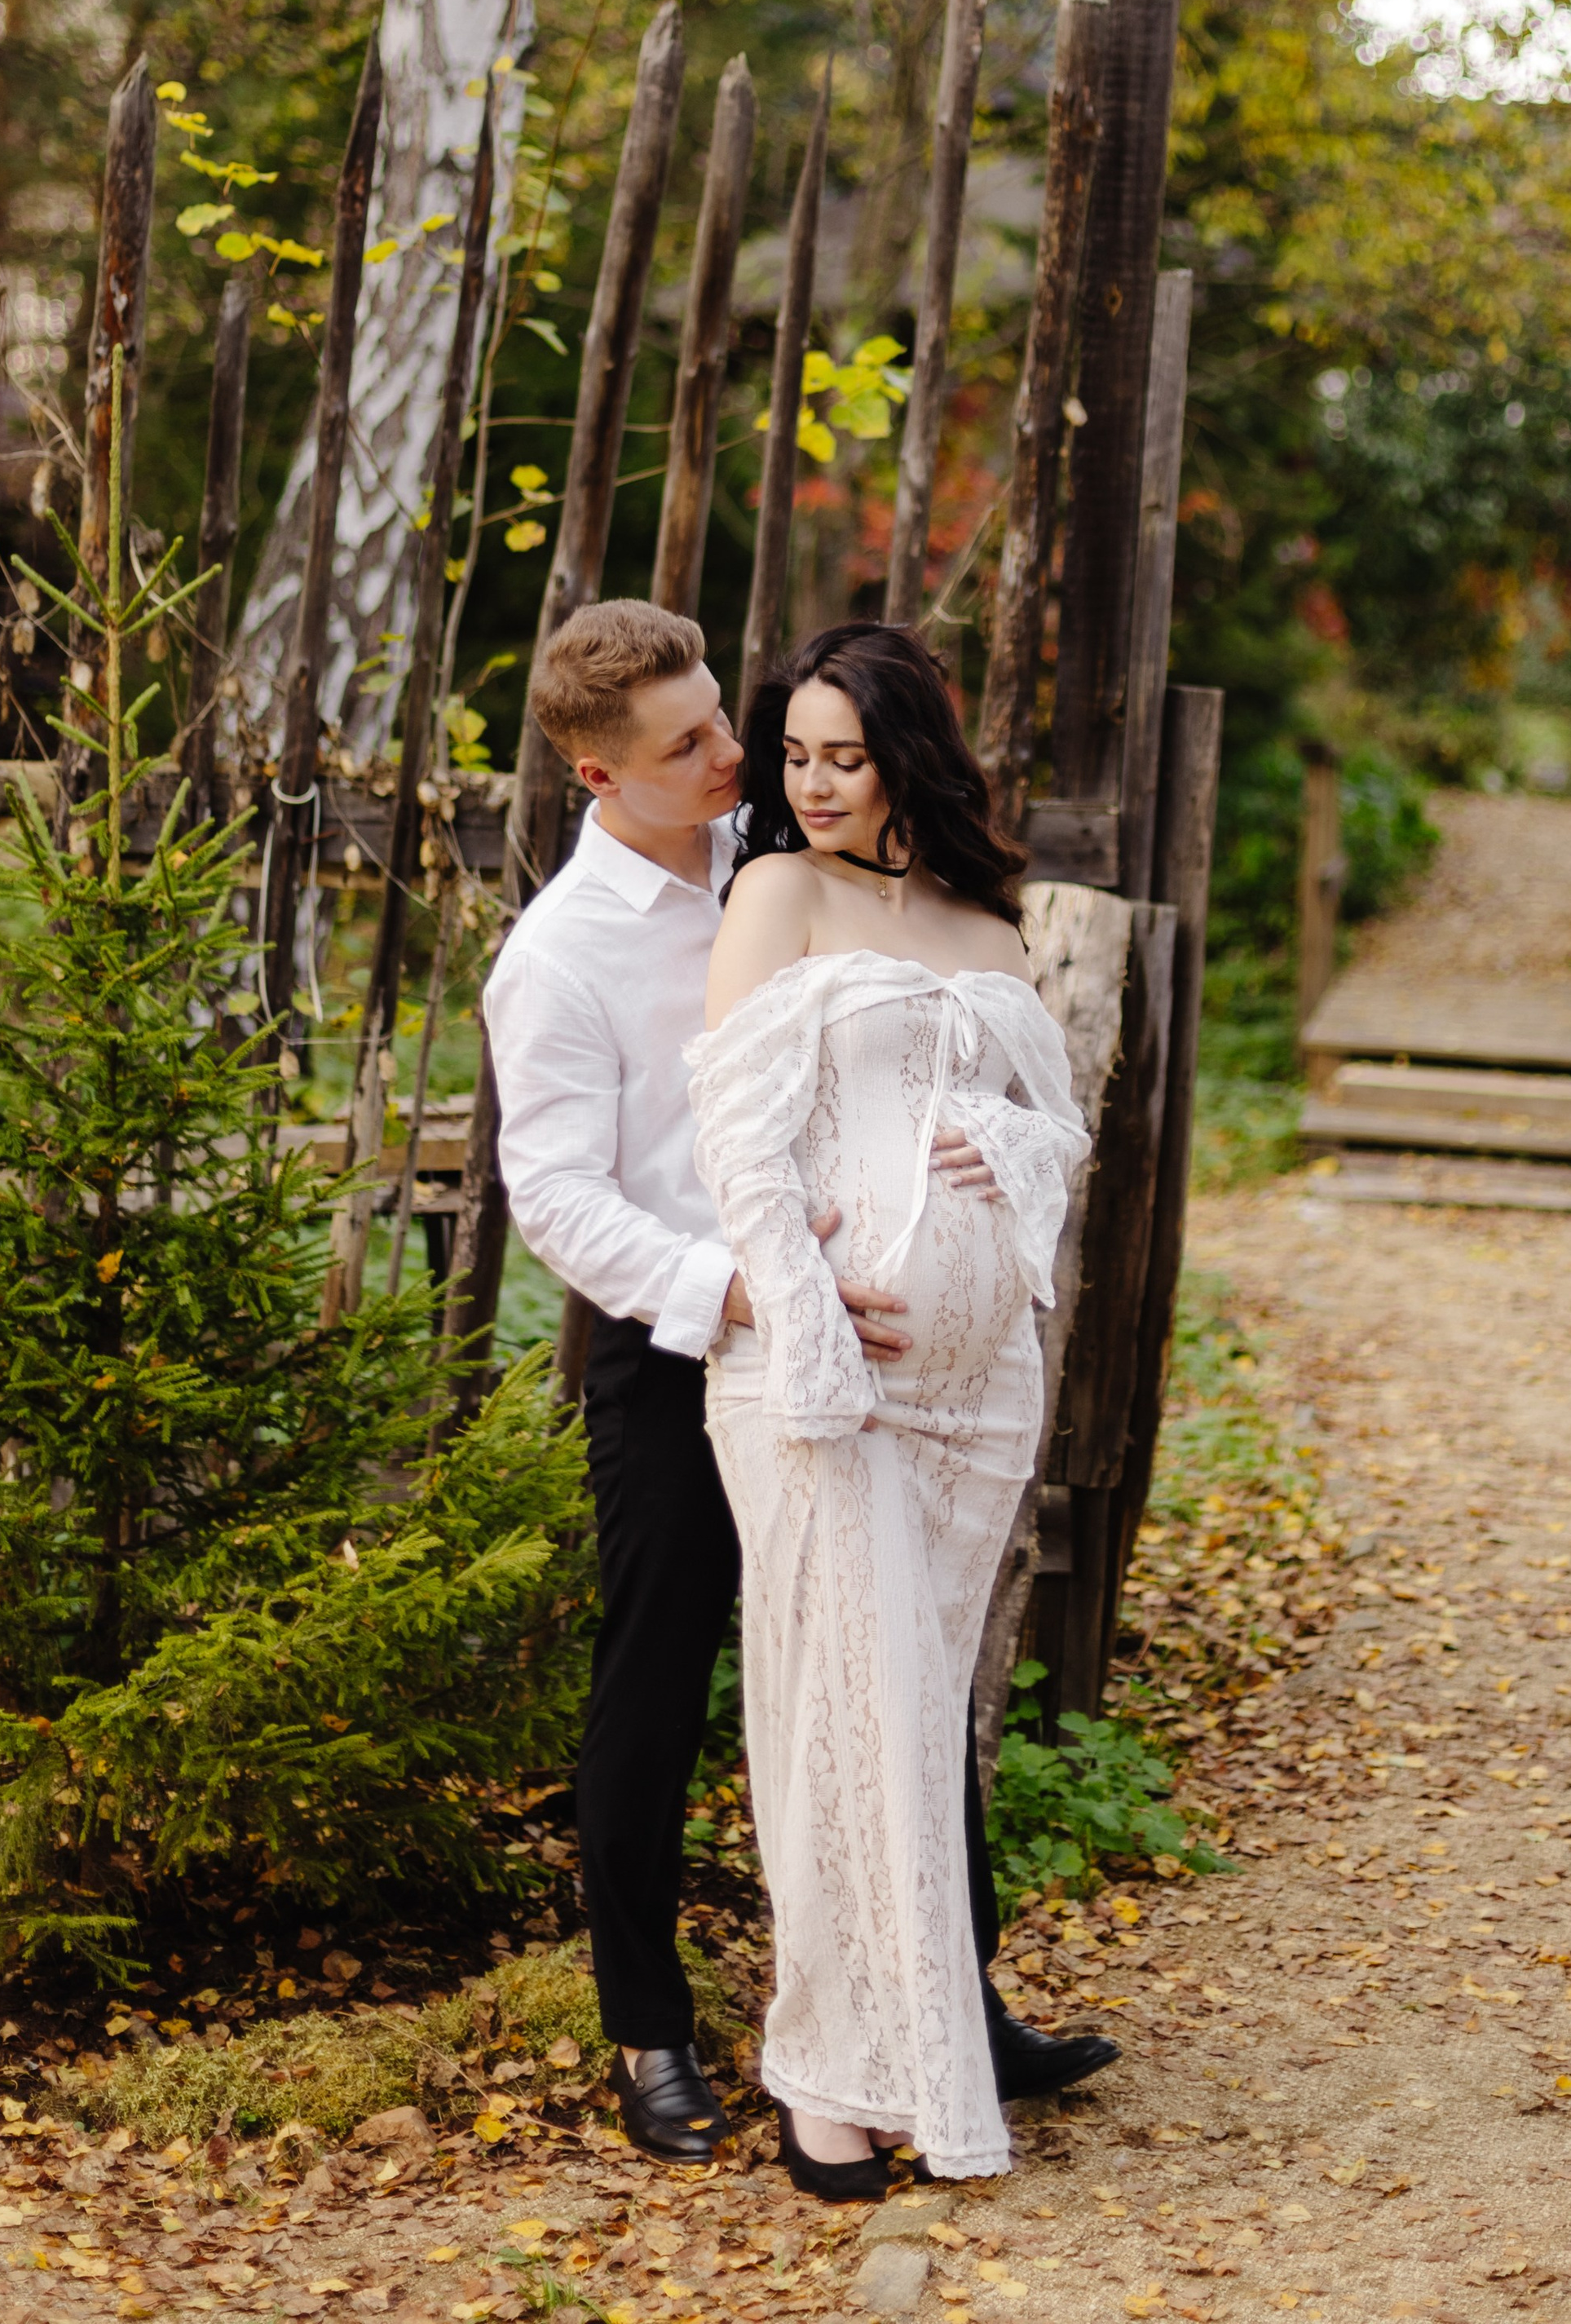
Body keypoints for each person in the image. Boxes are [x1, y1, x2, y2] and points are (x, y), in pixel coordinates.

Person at [484, 602, 1114, 2176]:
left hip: (882, 1348)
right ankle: (650, 2031)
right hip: (687, 1334)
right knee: (662, 1675)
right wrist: (751, 1287)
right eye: (690, 745)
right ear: (592, 769)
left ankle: (950, 2005)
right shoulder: (561, 954)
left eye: (725, 726)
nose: (735, 759)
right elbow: (556, 1193)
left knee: (895, 1667)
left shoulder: (783, 852)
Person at [688, 621, 1091, 2196]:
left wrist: (1011, 1151)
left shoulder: (991, 924)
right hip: (826, 1385)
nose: (812, 783)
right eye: (793, 755)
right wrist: (808, 1335)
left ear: (910, 751)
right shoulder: (777, 895)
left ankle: (910, 2059)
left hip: (981, 1398)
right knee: (833, 1720)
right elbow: (741, 1139)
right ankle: (818, 2076)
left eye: (842, 756)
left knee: (913, 1727)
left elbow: (1060, 1136)